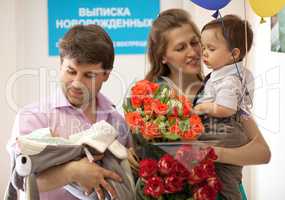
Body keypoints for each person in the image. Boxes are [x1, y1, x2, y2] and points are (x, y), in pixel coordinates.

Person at [145, 8, 271, 199]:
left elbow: (262, 153)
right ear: (163, 56)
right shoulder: (152, 98)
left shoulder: (220, 89)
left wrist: (214, 153)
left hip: (224, 191)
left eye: (196, 43)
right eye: (181, 48)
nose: (195, 52)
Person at [7, 24, 131, 200]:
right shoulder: (33, 117)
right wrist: (72, 172)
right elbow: (20, 180)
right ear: (60, 65)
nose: (77, 83)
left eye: (89, 75)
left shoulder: (116, 121)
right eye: (71, 71)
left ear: (106, 75)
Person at [191, 15, 255, 199]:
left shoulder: (230, 79)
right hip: (226, 129)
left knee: (226, 179)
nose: (204, 53)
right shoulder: (223, 73)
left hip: (228, 129)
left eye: (211, 49)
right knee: (223, 174)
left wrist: (203, 108)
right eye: (203, 48)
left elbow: (226, 109)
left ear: (234, 54)